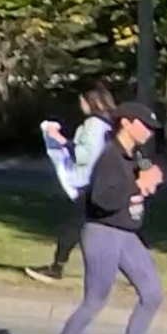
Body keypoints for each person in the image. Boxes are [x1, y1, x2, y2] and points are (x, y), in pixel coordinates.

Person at [33, 103, 166, 334]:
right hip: (102, 232)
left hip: (127, 234)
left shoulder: (136, 155)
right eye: (144, 125)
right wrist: (139, 186)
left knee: (152, 293)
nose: (149, 132)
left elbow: (143, 177)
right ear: (127, 123)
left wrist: (151, 179)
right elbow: (101, 201)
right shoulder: (109, 157)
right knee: (96, 298)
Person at [26, 83, 116, 283]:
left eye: (82, 101)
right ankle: (104, 270)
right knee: (99, 229)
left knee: (73, 227)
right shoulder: (111, 124)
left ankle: (56, 268)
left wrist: (60, 140)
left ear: (89, 102)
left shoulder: (93, 124)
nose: (80, 105)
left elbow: (84, 155)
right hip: (106, 183)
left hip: (89, 183)